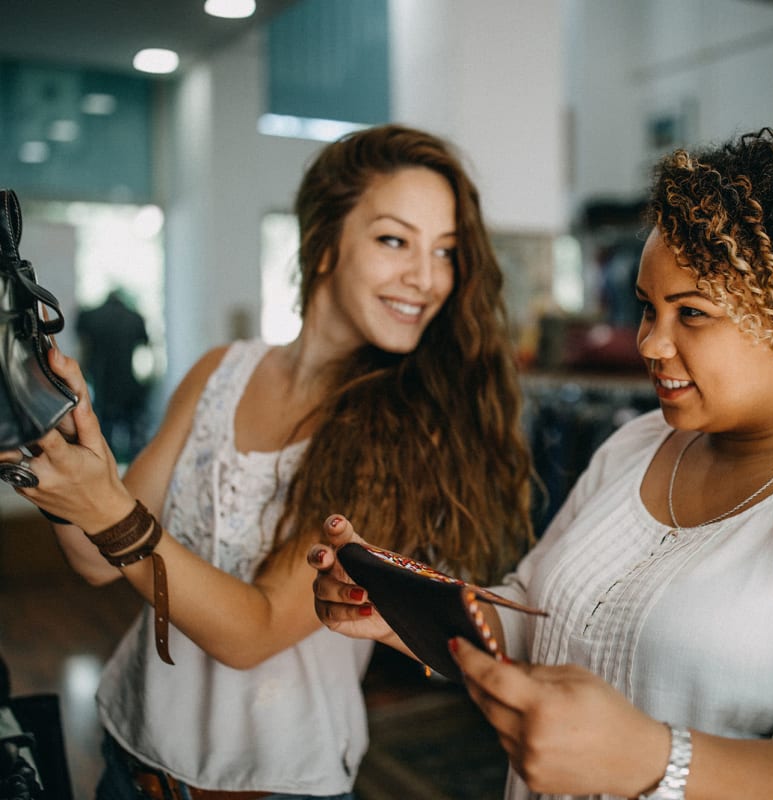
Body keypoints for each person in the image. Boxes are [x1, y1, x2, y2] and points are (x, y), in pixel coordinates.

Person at [310, 128, 773, 800]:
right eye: (647, 307)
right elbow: (530, 621)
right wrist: (407, 610)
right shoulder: (636, 446)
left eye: (691, 314)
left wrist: (653, 760)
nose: (649, 343)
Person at [1, 124, 533, 798]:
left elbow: (251, 632)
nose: (427, 278)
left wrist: (108, 508)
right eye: (394, 240)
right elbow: (97, 558)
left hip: (274, 785)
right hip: (131, 761)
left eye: (446, 251)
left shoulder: (399, 433)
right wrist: (63, 440)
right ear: (324, 245)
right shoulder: (222, 370)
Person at [75, 288, 151, 462]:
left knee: (102, 437)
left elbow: (83, 350)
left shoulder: (91, 316)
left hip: (102, 382)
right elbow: (146, 352)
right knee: (134, 442)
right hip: (128, 383)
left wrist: (84, 377)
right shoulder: (134, 318)